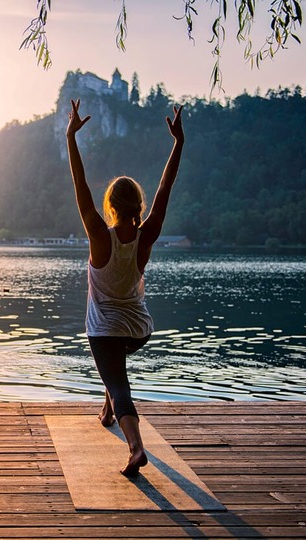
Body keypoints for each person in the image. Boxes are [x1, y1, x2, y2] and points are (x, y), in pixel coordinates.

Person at [66, 98, 184, 476]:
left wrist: (71, 137)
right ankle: (106, 411)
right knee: (113, 370)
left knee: (119, 384)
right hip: (138, 329)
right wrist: (178, 143)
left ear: (111, 207)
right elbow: (166, 188)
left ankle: (136, 448)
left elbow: (80, 184)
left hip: (105, 330)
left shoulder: (100, 236)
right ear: (137, 206)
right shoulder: (146, 235)